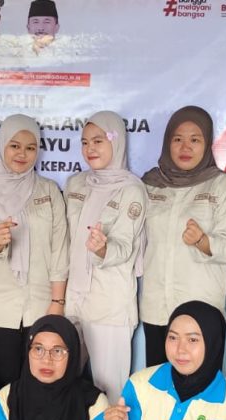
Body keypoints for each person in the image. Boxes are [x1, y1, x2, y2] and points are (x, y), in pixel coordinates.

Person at [0, 114, 69, 388]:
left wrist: (57, 303)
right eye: (14, 146)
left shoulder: (48, 190)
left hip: (40, 307)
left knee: (38, 391)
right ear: (2, 145)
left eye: (30, 147)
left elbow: (60, 248)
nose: (22, 154)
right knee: (0, 392)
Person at [140, 106, 226, 368]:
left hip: (201, 307)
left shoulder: (223, 187)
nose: (185, 147)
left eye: (195, 139)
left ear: (207, 143)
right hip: (156, 307)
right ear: (168, 142)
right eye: (178, 139)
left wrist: (203, 241)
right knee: (158, 383)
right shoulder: (149, 185)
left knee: (200, 385)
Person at [63, 111, 147, 403]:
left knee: (111, 391)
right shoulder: (76, 184)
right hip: (74, 298)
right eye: (85, 142)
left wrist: (102, 249)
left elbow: (125, 246)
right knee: (64, 382)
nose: (90, 148)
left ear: (117, 141)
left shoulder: (131, 190)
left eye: (98, 140)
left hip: (109, 301)